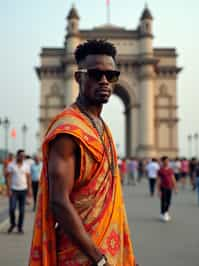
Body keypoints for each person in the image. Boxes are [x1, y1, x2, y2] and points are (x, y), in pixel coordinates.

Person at [29, 40, 136, 266]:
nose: (105, 81)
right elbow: (59, 202)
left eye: (111, 75)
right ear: (78, 77)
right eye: (96, 74)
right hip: (82, 255)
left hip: (108, 251)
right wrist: (99, 259)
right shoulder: (69, 131)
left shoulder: (101, 126)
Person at [6, 149, 32, 233]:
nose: (22, 157)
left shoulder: (26, 165)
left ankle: (20, 227)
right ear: (17, 155)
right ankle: (13, 224)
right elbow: (9, 178)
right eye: (21, 155)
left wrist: (29, 189)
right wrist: (8, 189)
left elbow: (28, 178)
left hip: (23, 190)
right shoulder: (11, 165)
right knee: (12, 208)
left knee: (22, 210)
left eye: (23, 156)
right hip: (13, 190)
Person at [157, 156, 178, 222]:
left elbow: (173, 179)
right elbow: (158, 180)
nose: (167, 162)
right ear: (163, 161)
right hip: (163, 187)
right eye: (166, 161)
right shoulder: (160, 170)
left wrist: (175, 188)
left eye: (168, 161)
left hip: (169, 187)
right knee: (163, 201)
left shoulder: (170, 169)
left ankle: (163, 212)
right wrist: (158, 190)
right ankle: (165, 213)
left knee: (168, 201)